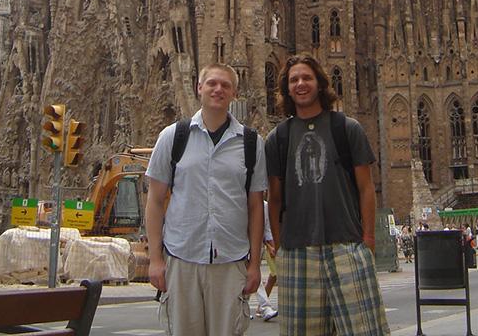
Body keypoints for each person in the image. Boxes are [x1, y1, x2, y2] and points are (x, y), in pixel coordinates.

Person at [265, 54, 390, 336]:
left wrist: (367, 240)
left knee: (366, 330)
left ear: (320, 84)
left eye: (307, 78)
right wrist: (282, 247)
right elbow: (274, 198)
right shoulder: (277, 139)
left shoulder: (347, 128)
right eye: (294, 79)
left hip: (346, 245)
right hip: (298, 252)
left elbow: (366, 188)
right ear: (286, 88)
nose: (300, 84)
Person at [145, 63, 267, 336]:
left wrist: (255, 264)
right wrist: (155, 259)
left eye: (225, 85)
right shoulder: (173, 136)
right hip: (182, 258)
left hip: (231, 260)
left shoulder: (251, 143)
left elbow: (256, 206)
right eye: (211, 83)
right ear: (199, 88)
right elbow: (154, 200)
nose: (218, 89)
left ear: (235, 92)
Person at [254, 200, 278, 321]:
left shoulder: (264, 206)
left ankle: (259, 307)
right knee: (254, 277)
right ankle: (265, 307)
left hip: (258, 248)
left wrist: (271, 246)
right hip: (243, 248)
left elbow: (267, 229)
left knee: (250, 278)